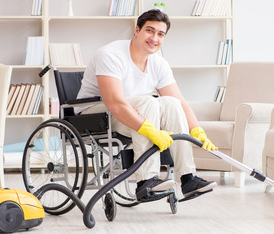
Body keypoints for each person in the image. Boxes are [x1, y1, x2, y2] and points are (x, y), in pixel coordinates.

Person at [75, 9, 217, 200]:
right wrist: (150, 131)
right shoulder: (110, 55)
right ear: (137, 30)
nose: (154, 38)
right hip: (96, 115)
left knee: (170, 103)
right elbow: (115, 103)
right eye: (150, 31)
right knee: (149, 101)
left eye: (160, 34)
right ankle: (146, 181)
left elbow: (180, 102)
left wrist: (197, 130)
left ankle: (188, 177)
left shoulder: (159, 64)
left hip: (136, 113)